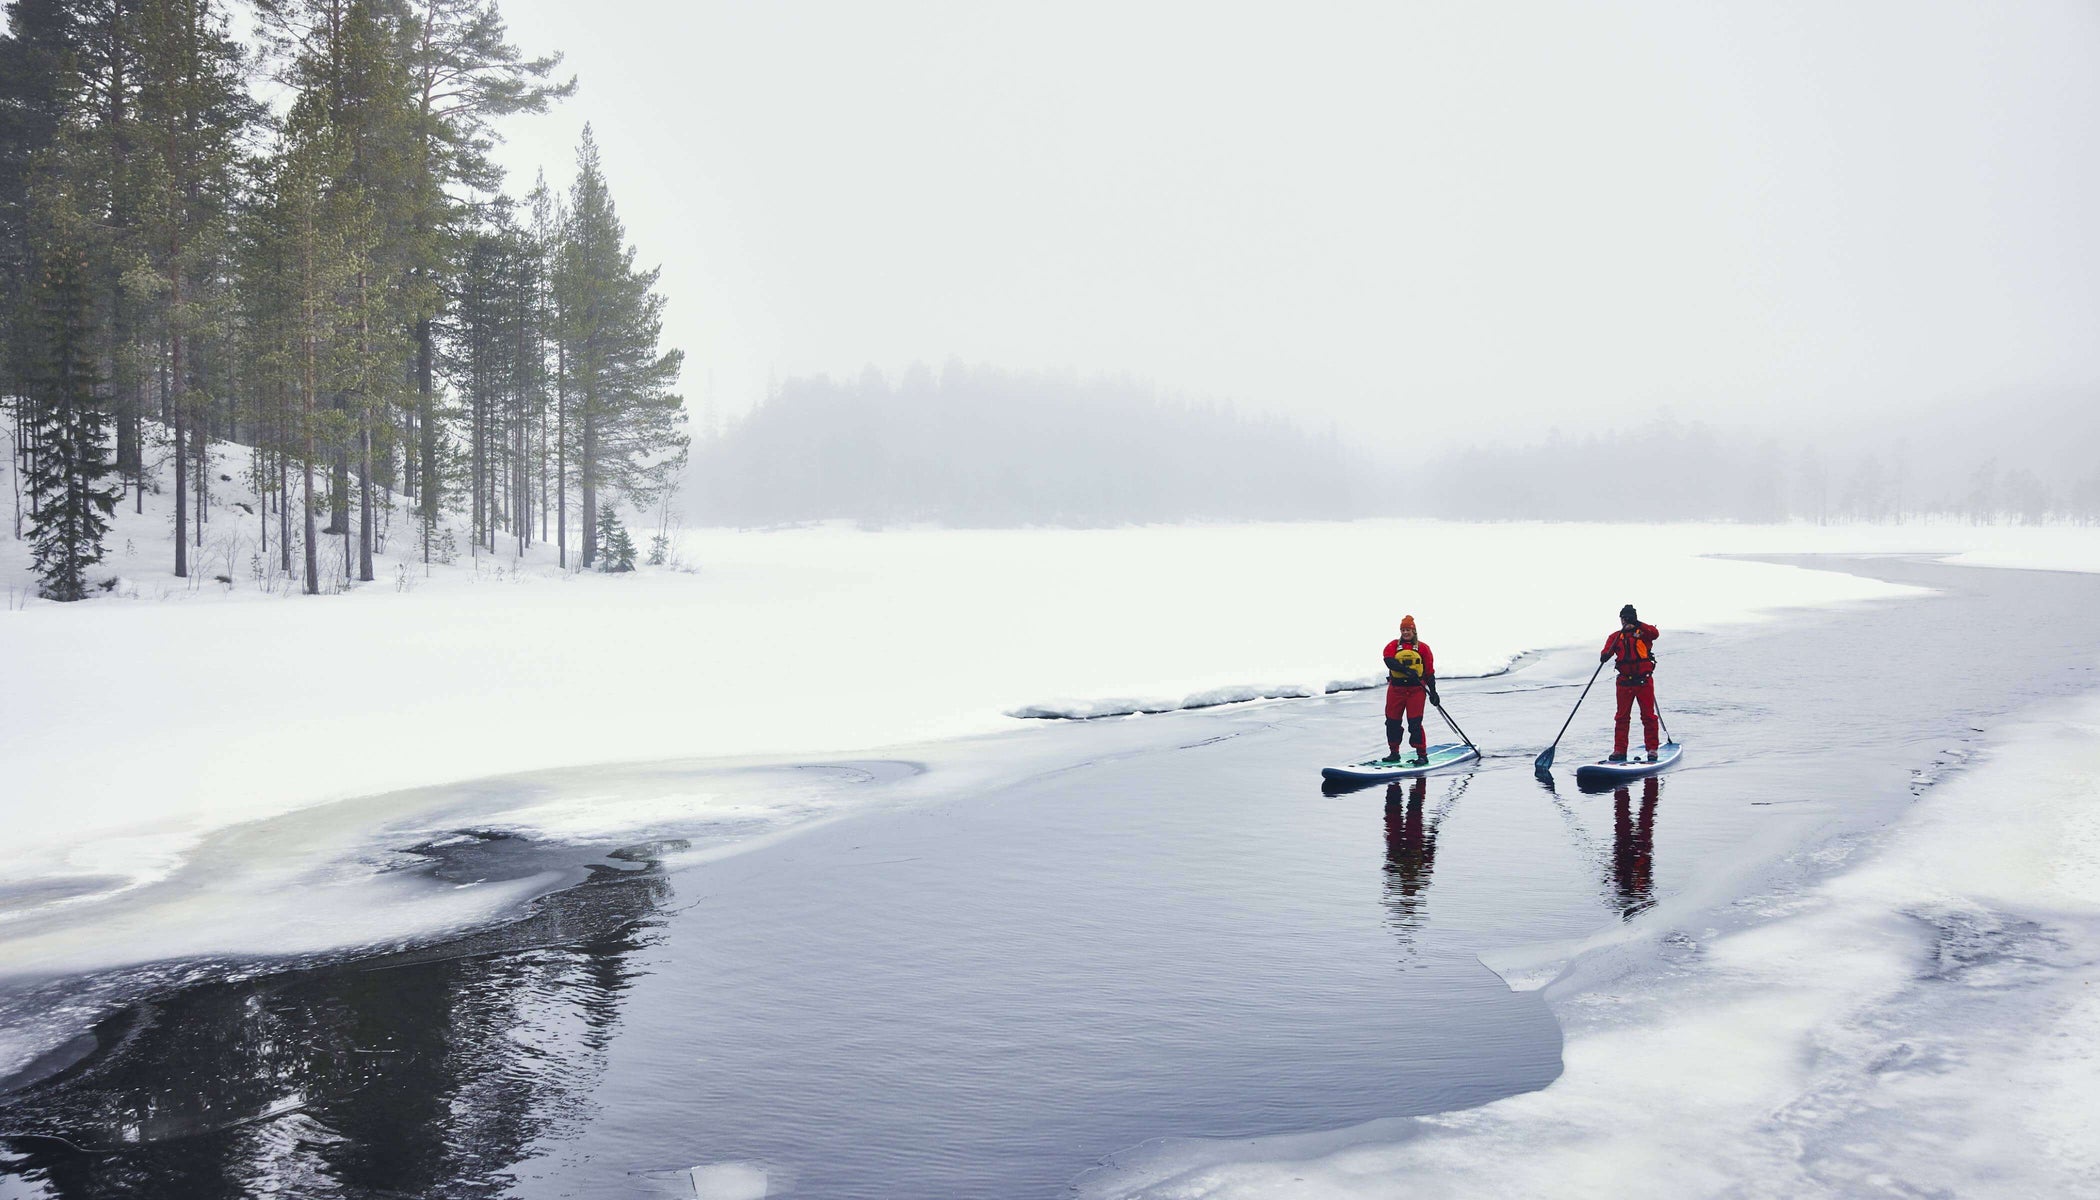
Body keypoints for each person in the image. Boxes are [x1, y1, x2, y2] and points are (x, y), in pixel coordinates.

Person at [1600, 604, 1661, 762]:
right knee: (1621, 717)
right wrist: (1605, 655)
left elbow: (1655, 634)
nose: (1624, 621)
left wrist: (1638, 623)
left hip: (1644, 681)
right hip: (1624, 683)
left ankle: (1652, 749)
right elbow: (1605, 652)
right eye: (1623, 618)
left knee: (1648, 716)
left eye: (1627, 618)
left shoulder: (1643, 632)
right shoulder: (1615, 637)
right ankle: (1619, 751)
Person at [1382, 615, 1439, 764]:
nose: (1405, 632)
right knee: (1392, 722)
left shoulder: (1423, 648)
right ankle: (1394, 753)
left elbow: (1429, 671)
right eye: (1403, 630)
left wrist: (1433, 692)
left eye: (1408, 629)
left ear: (1414, 631)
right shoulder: (1393, 645)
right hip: (1396, 690)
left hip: (1416, 691)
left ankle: (1422, 755)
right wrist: (1406, 670)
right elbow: (1388, 660)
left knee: (1414, 723)